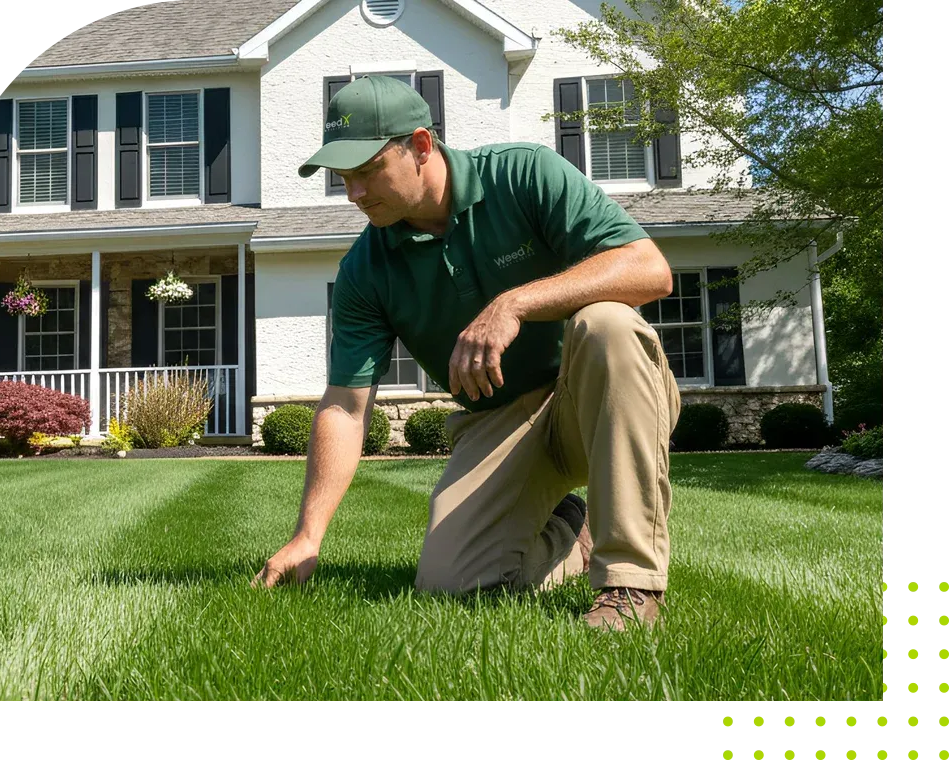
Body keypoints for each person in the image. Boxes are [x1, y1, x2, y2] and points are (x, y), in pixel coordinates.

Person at [252, 75, 681, 631]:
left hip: (598, 394)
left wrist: (516, 303)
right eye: (342, 178)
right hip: (499, 419)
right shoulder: (365, 271)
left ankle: (630, 584)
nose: (353, 194)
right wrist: (307, 536)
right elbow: (345, 407)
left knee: (608, 324)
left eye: (367, 172)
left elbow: (650, 270)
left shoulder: (524, 174)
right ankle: (575, 531)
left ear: (422, 147)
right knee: (453, 582)